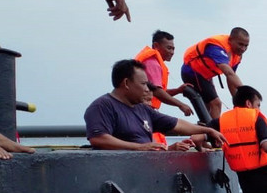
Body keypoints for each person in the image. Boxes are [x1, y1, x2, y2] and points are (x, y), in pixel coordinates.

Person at [84, 59, 226, 151]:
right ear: (126, 83)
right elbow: (99, 138)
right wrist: (139, 147)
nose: (147, 89)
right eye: (144, 84)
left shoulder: (143, 109)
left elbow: (178, 124)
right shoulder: (102, 106)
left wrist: (208, 130)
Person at [135, 30, 194, 145]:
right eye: (169, 48)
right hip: (142, 111)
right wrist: (180, 105)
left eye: (173, 49)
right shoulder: (152, 62)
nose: (172, 52)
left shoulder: (151, 61)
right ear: (156, 46)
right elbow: (157, 92)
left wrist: (177, 90)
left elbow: (156, 91)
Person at [181, 28, 250, 120]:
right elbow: (229, 73)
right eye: (240, 44)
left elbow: (231, 79)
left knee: (210, 106)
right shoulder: (216, 46)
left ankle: (208, 127)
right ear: (230, 40)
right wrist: (246, 93)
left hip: (206, 76)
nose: (243, 49)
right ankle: (216, 131)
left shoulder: (237, 55)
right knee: (216, 103)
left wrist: (237, 102)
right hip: (192, 72)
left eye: (246, 46)